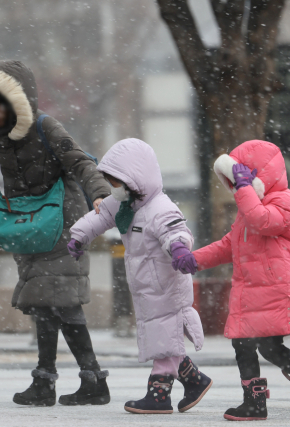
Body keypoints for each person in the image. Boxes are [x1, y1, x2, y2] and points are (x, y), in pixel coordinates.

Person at [0, 60, 111, 407]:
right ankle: (51, 381)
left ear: (15, 101)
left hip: (62, 224)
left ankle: (85, 381)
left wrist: (100, 194)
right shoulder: (0, 137)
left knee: (64, 302)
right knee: (42, 304)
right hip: (29, 228)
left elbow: (82, 163)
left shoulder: (45, 126)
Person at [173, 140, 290, 421]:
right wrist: (194, 260)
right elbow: (229, 245)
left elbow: (264, 222)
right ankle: (254, 401)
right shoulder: (247, 209)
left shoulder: (284, 200)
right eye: (233, 182)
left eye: (239, 180)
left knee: (268, 345)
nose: (236, 188)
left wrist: (245, 190)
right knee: (242, 343)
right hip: (249, 291)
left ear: (259, 176)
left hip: (275, 288)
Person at [68, 138, 212, 414]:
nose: (114, 189)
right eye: (111, 183)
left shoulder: (161, 208)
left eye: (117, 183)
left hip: (167, 285)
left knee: (162, 339)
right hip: (146, 286)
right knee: (162, 336)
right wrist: (79, 237)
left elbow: (176, 231)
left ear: (134, 180)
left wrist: (180, 249)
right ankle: (195, 380)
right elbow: (98, 217)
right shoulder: (125, 206)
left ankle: (158, 396)